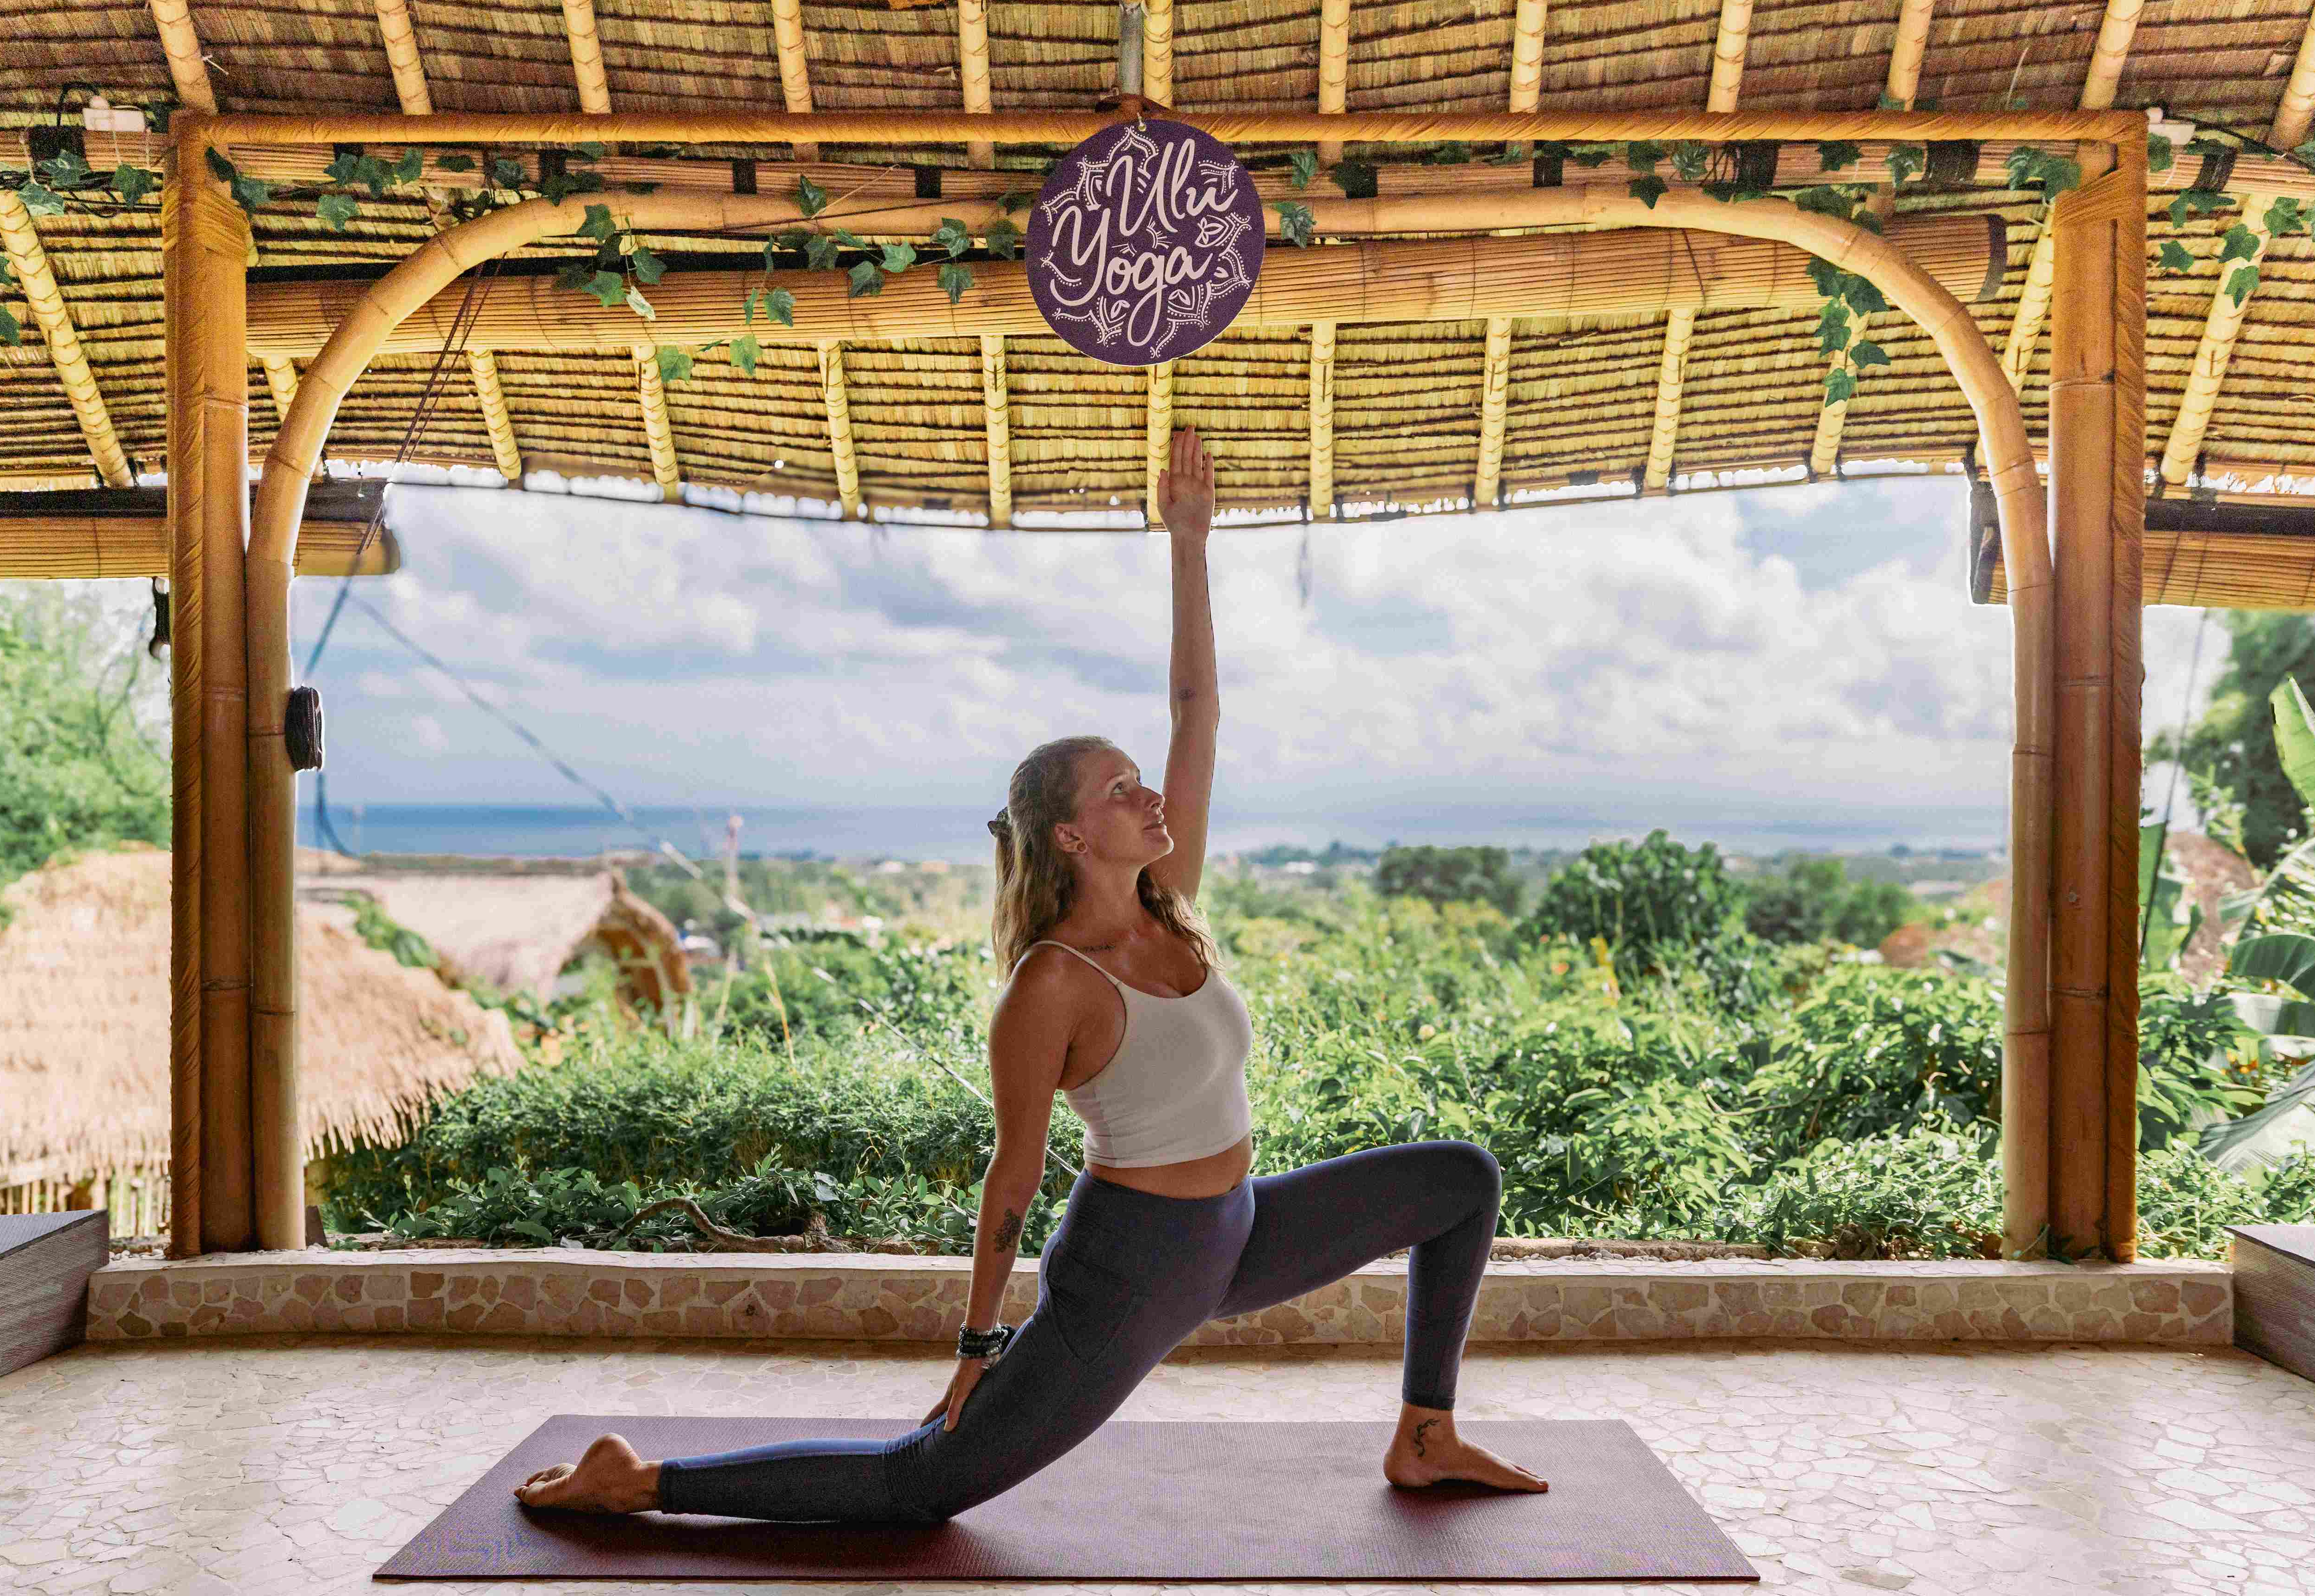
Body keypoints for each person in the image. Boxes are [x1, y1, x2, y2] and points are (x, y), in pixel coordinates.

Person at [515, 429, 1547, 1524]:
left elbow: (1198, 711)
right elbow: (1011, 1178)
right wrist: (977, 1345)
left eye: (1142, 784)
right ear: (1067, 835)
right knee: (928, 1484)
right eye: (1118, 791)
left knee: (1459, 1181)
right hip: (1134, 1269)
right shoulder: (1049, 986)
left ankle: (1425, 1435)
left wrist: (1187, 543)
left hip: (1236, 1231)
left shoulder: (1169, 902)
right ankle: (637, 1480)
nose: (1148, 799)